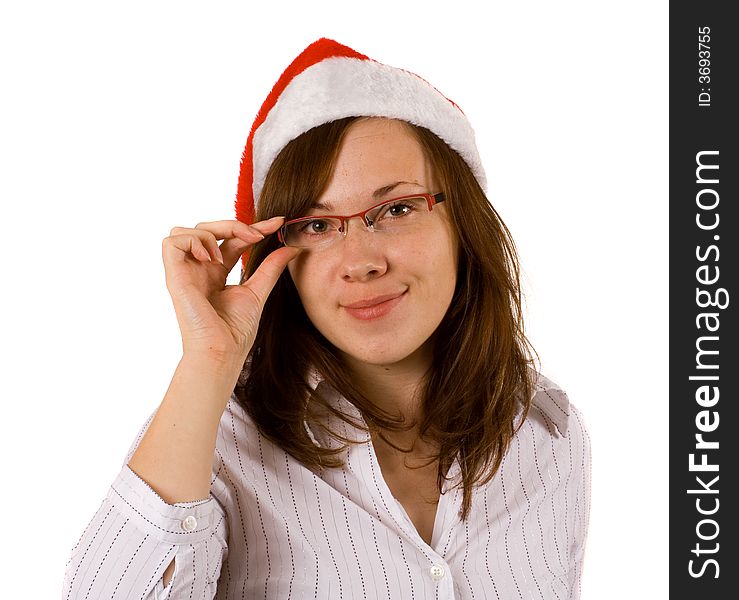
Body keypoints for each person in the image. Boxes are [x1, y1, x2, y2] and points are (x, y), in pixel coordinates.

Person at [62, 38, 590, 599]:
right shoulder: (219, 441)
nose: (361, 262)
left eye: (396, 209)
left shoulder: (546, 432)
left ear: (464, 224)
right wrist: (208, 361)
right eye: (316, 226)